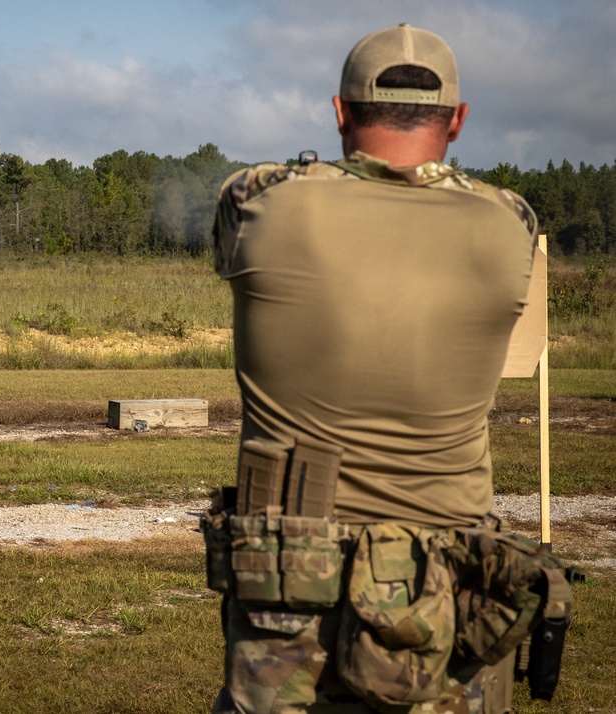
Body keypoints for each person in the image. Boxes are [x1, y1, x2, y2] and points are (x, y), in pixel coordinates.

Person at [204, 24, 556, 714]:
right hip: (448, 594)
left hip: (287, 590)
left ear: (339, 111)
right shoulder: (509, 221)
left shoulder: (255, 201)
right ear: (456, 120)